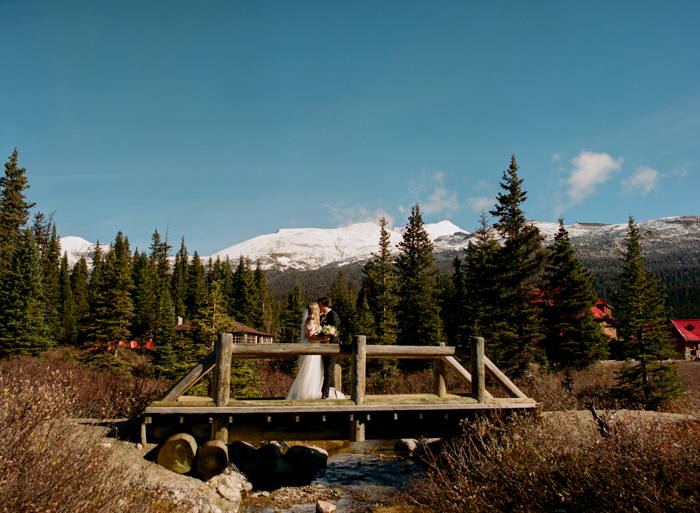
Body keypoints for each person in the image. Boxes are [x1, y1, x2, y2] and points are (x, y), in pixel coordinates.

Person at [285, 303, 329, 400]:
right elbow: (310, 337)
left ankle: (311, 391)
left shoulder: (313, 321)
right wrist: (323, 339)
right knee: (309, 370)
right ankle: (306, 393)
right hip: (311, 349)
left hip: (315, 349)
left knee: (314, 370)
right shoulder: (311, 321)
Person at [318, 296, 343, 399]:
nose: (319, 307)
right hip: (325, 346)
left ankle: (324, 394)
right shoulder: (323, 316)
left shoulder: (333, 315)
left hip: (333, 346)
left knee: (328, 370)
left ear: (325, 305)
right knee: (328, 371)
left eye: (320, 305)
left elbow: (334, 328)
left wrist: (327, 333)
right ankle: (331, 392)